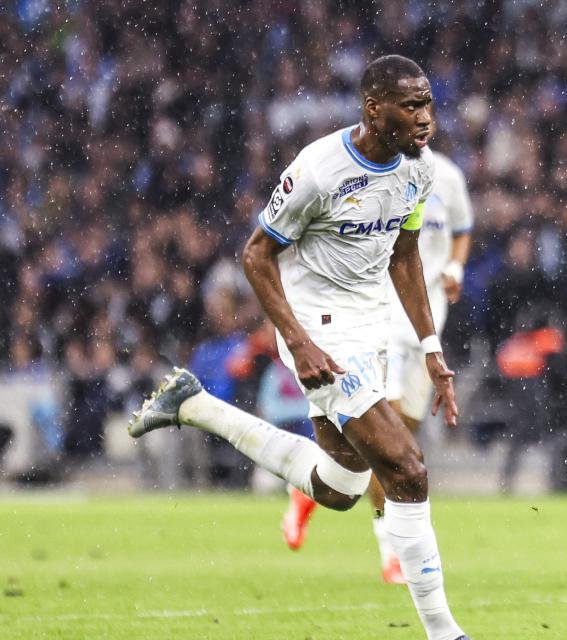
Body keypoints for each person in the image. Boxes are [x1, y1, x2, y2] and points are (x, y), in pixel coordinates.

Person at [129, 55, 470, 640]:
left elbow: (405, 255)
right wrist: (297, 340)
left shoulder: (420, 169)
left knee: (341, 486)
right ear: (374, 109)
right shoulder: (319, 168)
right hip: (320, 332)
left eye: (428, 104)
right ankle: (445, 632)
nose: (425, 117)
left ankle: (195, 405)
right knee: (408, 468)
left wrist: (431, 347)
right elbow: (256, 254)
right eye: (411, 105)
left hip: (371, 328)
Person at [282, 132, 474, 586]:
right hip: (379, 319)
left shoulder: (443, 176)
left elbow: (461, 231)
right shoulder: (365, 175)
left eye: (424, 108)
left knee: (399, 435)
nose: (419, 120)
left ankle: (312, 480)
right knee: (389, 445)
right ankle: (391, 550)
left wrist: (455, 266)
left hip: (426, 322)